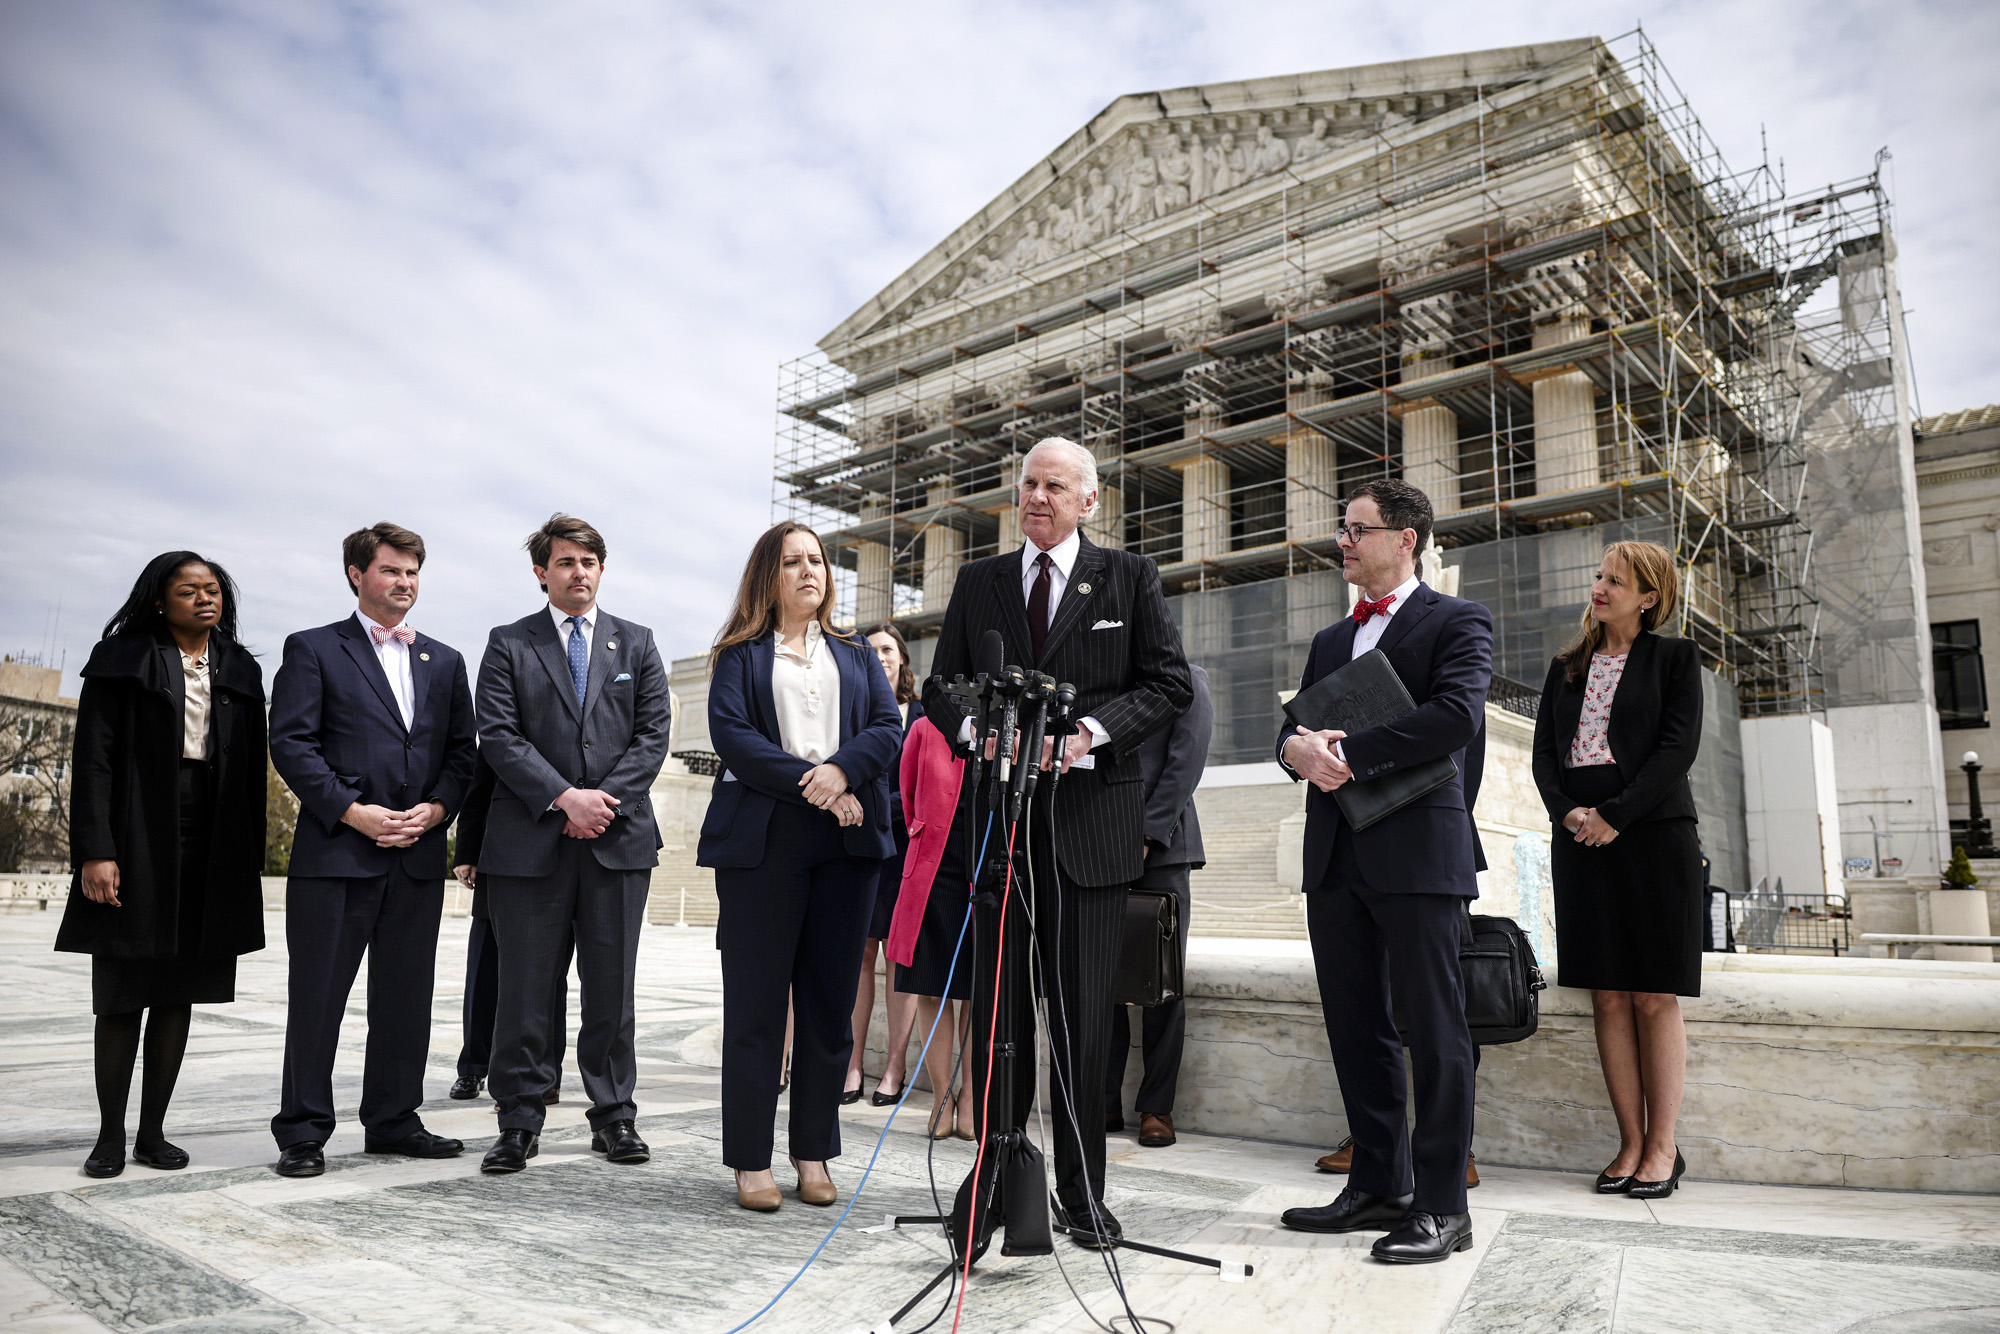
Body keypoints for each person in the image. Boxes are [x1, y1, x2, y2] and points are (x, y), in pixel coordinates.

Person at [922, 436, 1193, 1248]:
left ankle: (1081, 1197)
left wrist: (1086, 735)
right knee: (999, 1018)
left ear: (1089, 501)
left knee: (1081, 1025)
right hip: (1000, 828)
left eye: (1054, 486)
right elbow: (941, 684)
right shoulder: (980, 581)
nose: (1036, 497)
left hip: (1091, 832)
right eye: (1028, 484)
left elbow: (1169, 684)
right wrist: (974, 731)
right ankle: (993, 1186)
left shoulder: (1130, 577)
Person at [1276, 479, 1490, 1264]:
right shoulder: (1332, 639)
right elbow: (1295, 727)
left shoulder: (1458, 619)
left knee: (1435, 1031)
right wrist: (1294, 750)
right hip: (1336, 856)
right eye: (1344, 528)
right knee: (1355, 1025)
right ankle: (1377, 1186)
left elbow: (1457, 717)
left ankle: (1442, 1206)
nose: (1343, 541)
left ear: (1406, 539)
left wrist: (1348, 756)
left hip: (1419, 855)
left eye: (1357, 529)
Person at [698, 522, 905, 1212]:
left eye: (817, 560)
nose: (809, 570)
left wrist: (842, 772)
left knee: (828, 1009)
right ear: (769, 574)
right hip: (764, 843)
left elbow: (887, 727)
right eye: (793, 561)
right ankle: (750, 1159)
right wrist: (817, 784)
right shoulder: (739, 654)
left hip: (847, 844)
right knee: (756, 1007)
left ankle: (813, 1151)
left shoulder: (855, 652)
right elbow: (734, 737)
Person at [268, 523, 478, 1177]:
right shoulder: (313, 648)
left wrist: (438, 810)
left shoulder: (445, 661)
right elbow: (291, 743)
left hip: (416, 858)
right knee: (318, 997)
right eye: (391, 570)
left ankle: (393, 1121)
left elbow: (462, 754)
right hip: (337, 855)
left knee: (406, 999)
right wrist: (352, 811)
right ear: (357, 575)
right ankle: (303, 1131)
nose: (405, 582)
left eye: (413, 572)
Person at [60, 553, 267, 1178]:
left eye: (213, 589)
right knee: (123, 991)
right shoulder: (122, 659)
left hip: (213, 835)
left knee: (181, 992)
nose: (205, 599)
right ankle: (109, 1136)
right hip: (136, 828)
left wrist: (246, 860)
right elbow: (93, 759)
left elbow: (252, 771)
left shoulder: (239, 667)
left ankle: (152, 1133)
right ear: (159, 600)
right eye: (188, 590)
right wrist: (96, 850)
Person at [475, 513, 671, 1174]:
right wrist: (564, 798)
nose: (578, 572)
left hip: (618, 840)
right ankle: (519, 1119)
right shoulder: (509, 643)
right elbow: (499, 735)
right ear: (542, 573)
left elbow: (653, 736)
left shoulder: (637, 643)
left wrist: (601, 803)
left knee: (612, 990)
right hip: (530, 842)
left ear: (601, 570)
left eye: (588, 562)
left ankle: (614, 1115)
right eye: (565, 562)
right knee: (525, 989)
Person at [1531, 540, 1703, 1200]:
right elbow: (1546, 755)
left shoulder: (1675, 658)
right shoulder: (1566, 666)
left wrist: (1616, 814)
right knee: (1606, 994)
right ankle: (1630, 1143)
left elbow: (1677, 749)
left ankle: (1664, 1148)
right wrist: (1570, 813)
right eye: (1599, 575)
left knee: (1654, 994)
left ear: (1649, 597)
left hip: (1654, 836)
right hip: (1580, 840)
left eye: (1616, 581)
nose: (1599, 587)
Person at [1104, 663, 1211, 1150]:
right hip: (1100, 849)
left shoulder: (1189, 677)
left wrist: (1147, 833)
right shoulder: (1105, 679)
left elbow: (1187, 763)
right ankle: (1103, 1098)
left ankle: (1157, 1107)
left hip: (1164, 849)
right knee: (1101, 979)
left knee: (1163, 981)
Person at [447, 751, 570, 1106]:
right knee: (485, 969)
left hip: (563, 853)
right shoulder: (509, 719)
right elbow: (480, 785)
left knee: (551, 977)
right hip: (502, 853)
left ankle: (546, 1073)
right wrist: (467, 851)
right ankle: (473, 1066)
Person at [888, 713, 976, 1141]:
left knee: (979, 990)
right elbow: (907, 795)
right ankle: (942, 1096)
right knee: (930, 987)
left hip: (986, 867)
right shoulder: (925, 727)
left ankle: (972, 1097)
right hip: (932, 865)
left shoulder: (1010, 725)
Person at [843, 622, 919, 1108]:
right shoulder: (851, 711)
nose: (881, 656)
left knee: (900, 958)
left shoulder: (925, 714)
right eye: (871, 650)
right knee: (859, 956)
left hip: (909, 848)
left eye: (888, 648)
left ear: (902, 657)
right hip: (860, 843)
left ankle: (895, 1065)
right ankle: (851, 1063)